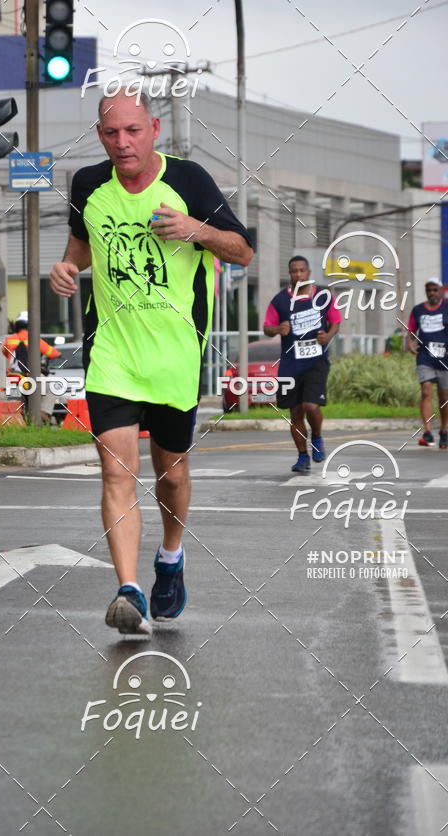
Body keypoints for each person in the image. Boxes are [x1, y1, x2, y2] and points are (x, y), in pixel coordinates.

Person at [49, 89, 253, 636]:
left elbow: (243, 249)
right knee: (116, 471)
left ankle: (170, 555)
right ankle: (129, 590)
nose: (123, 142)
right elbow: (81, 246)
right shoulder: (88, 185)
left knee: (172, 472)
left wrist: (198, 231)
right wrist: (66, 271)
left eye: (133, 131)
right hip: (112, 353)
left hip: (174, 355)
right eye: (112, 133)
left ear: (154, 129)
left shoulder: (189, 182)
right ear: (100, 135)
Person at [263, 256, 342, 473]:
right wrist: (278, 329)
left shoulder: (323, 297)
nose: (298, 275)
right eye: (293, 271)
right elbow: (266, 327)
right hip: (290, 364)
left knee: (310, 406)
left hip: (316, 361)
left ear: (308, 272)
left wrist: (328, 336)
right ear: (289, 274)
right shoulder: (279, 301)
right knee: (295, 412)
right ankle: (302, 457)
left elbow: (335, 321)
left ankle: (316, 437)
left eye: (301, 271)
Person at [407, 277, 448, 449]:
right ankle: (427, 432)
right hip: (425, 357)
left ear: (440, 291)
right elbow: (411, 329)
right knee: (426, 391)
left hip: (445, 358)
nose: (431, 293)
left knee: (444, 397)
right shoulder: (418, 310)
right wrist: (410, 342)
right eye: (428, 290)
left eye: (434, 289)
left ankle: (444, 431)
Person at [1, 312, 61, 418]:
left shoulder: (9, 340)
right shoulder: (35, 340)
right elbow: (53, 353)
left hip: (13, 376)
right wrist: (59, 354)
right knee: (52, 388)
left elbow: (5, 353)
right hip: (31, 376)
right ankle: (43, 414)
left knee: (13, 401)